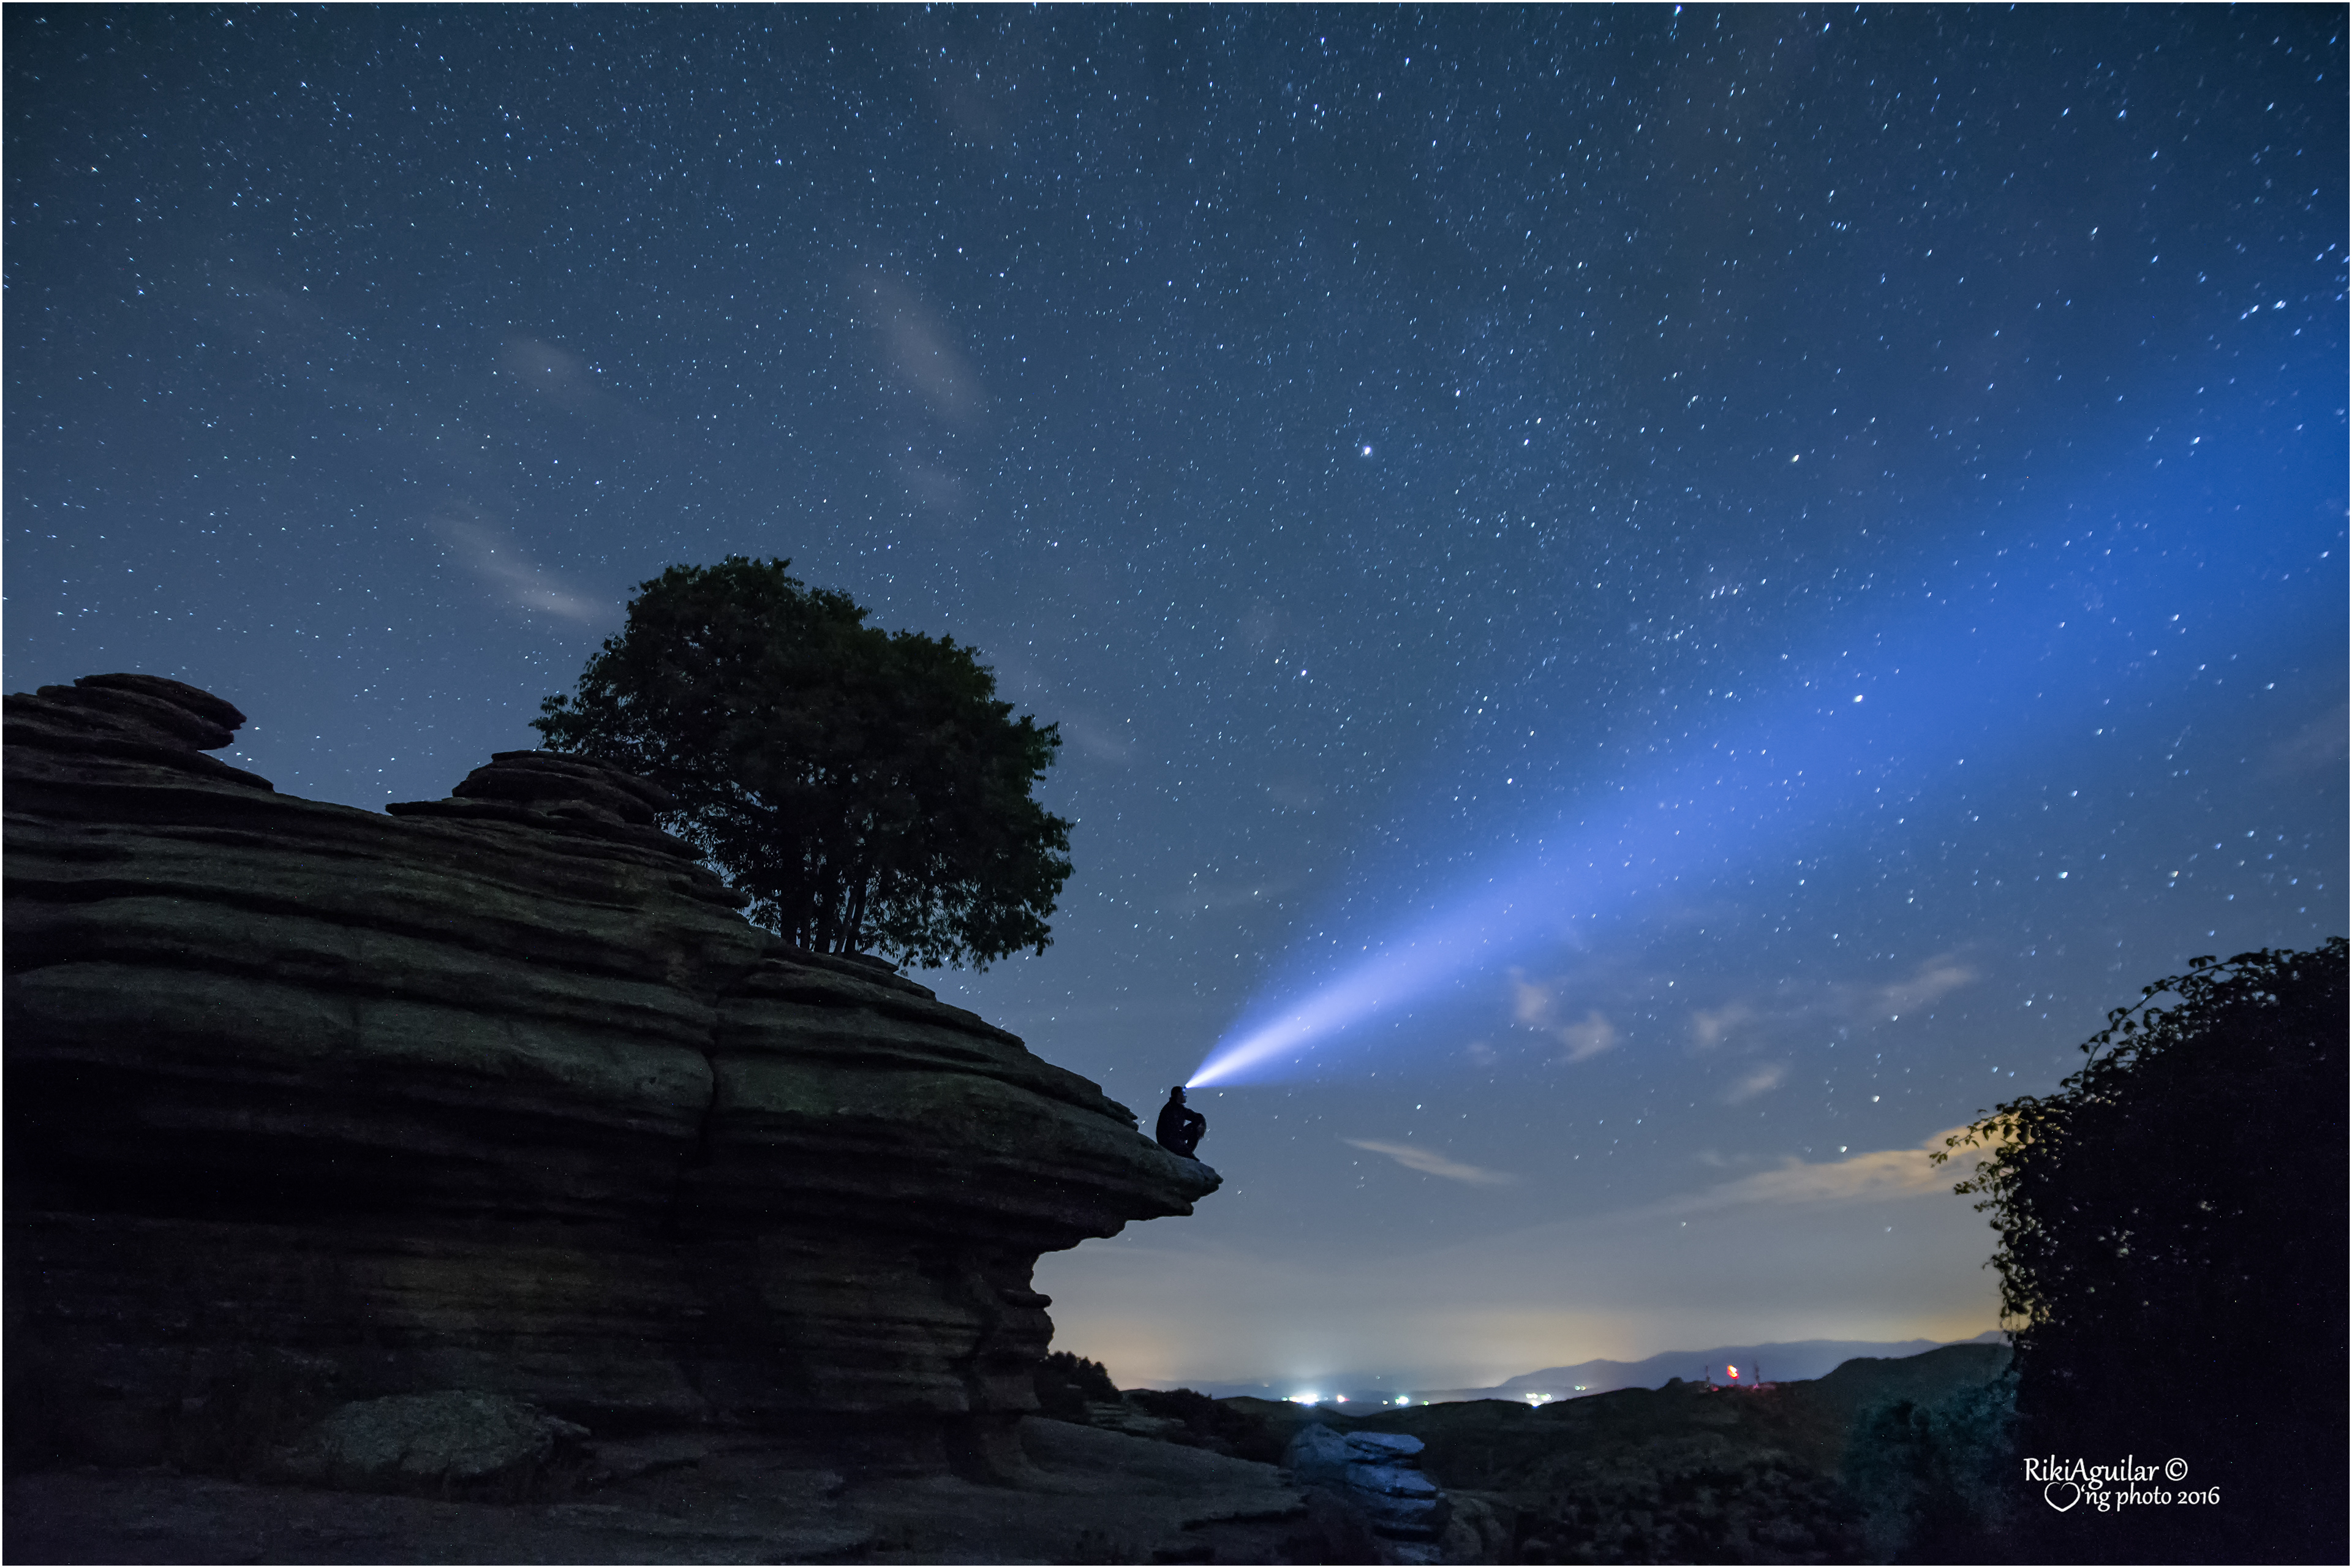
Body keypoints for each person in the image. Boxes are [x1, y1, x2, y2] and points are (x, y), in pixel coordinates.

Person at [1155, 1085, 1206, 1159]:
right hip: (1168, 1142)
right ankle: (1186, 1154)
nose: (1186, 1096)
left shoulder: (1181, 1109)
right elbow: (1169, 1133)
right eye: (1184, 1094)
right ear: (1179, 1095)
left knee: (1196, 1126)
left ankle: (1187, 1153)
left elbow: (1197, 1117)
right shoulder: (1169, 1109)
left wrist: (1202, 1125)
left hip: (1176, 1138)